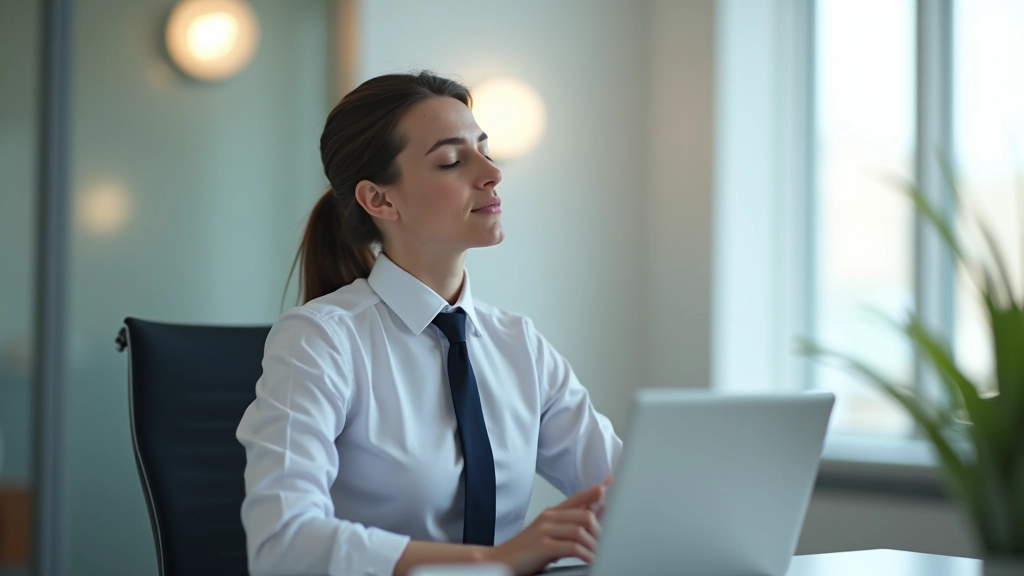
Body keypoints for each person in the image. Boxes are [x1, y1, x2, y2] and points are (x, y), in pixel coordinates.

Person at [236, 71, 622, 576]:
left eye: (484, 149)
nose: (492, 172)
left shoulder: (517, 344)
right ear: (379, 200)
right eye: (452, 160)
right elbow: (282, 544)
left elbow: (627, 489)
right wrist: (497, 561)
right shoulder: (321, 341)